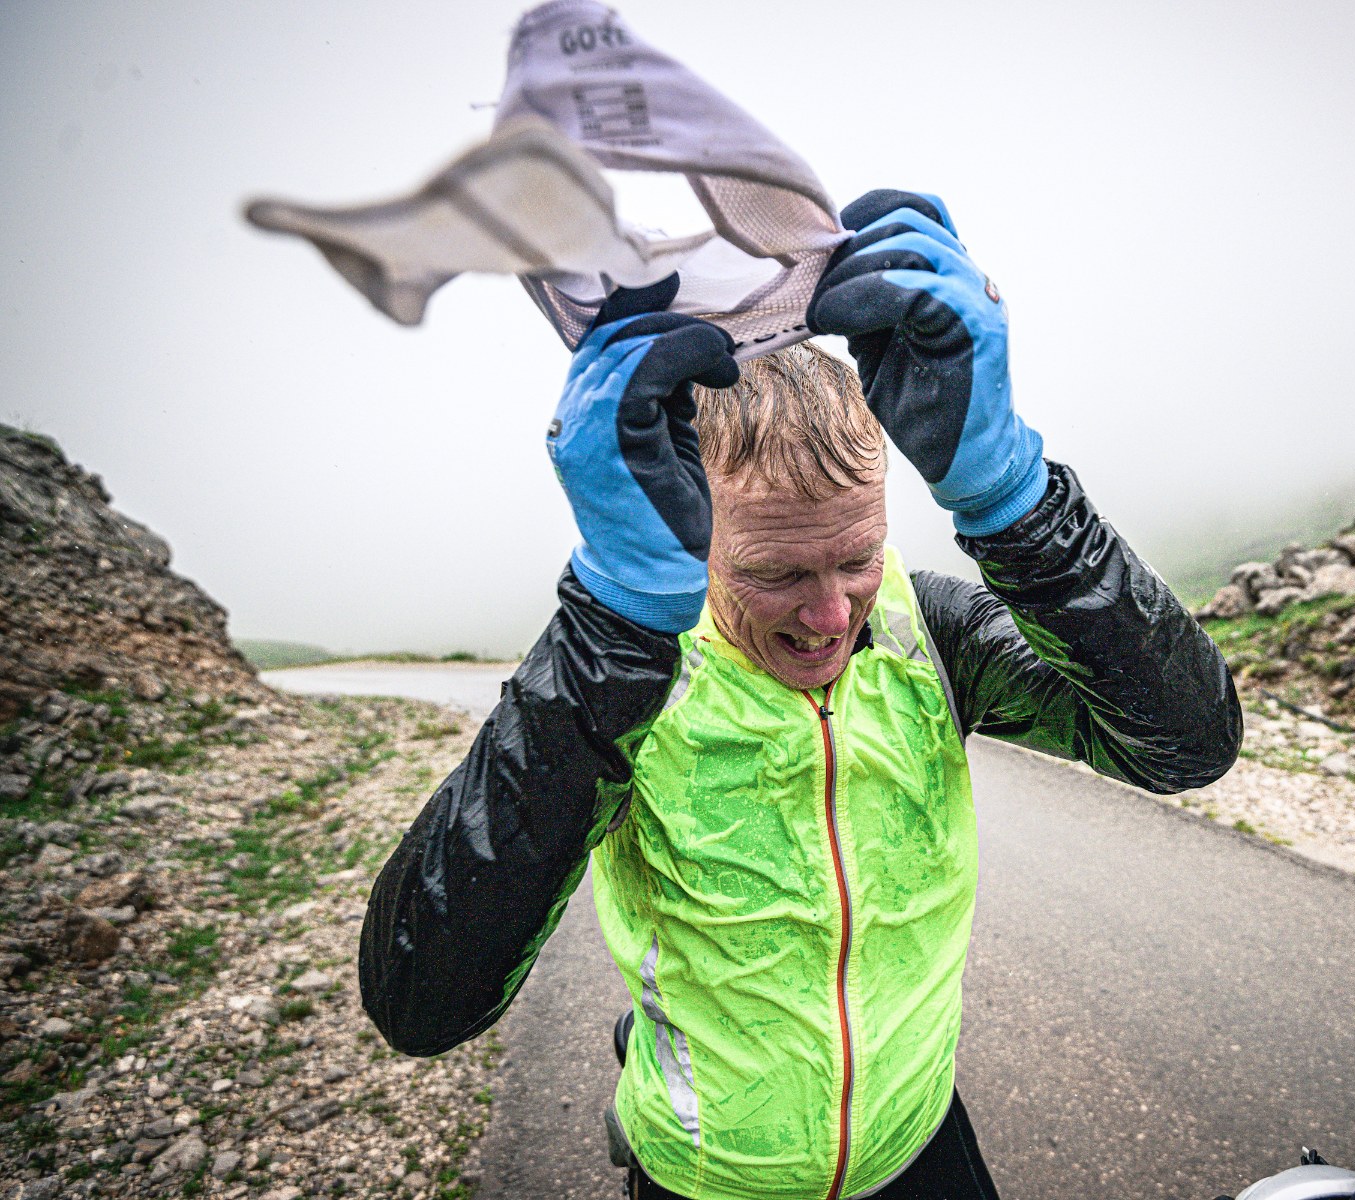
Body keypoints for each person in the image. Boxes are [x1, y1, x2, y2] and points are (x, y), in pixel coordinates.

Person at [360, 190, 1242, 1200]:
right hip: (710, 1177)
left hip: (916, 1140)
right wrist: (609, 631)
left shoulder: (929, 629)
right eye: (775, 573)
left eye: (858, 558)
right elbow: (419, 1002)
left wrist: (1019, 502)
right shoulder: (624, 680)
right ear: (692, 543)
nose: (831, 616)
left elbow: (1186, 745)